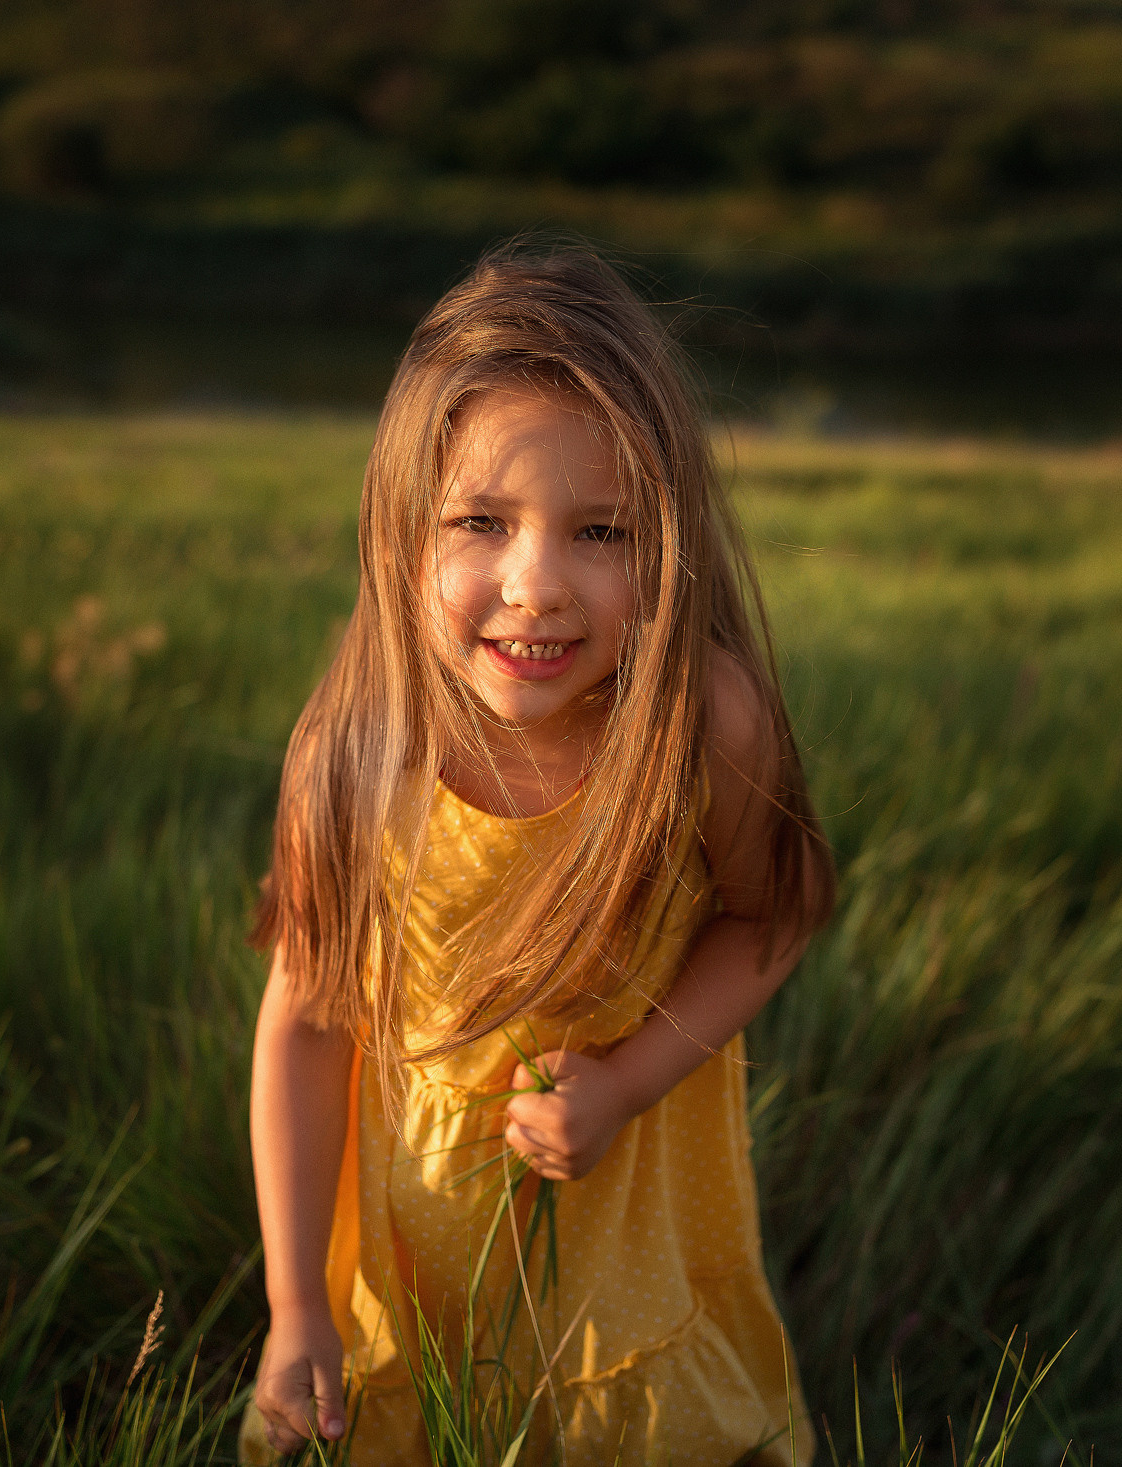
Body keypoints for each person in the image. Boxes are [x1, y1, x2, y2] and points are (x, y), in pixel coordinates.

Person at [242, 243, 834, 1466]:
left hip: (618, 1249)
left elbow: (771, 917)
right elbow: (304, 1023)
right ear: (402, 530)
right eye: (481, 521)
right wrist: (297, 1304)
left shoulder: (696, 725)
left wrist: (623, 1084)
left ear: (665, 538)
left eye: (601, 531)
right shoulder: (357, 750)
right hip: (415, 1263)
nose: (536, 585)